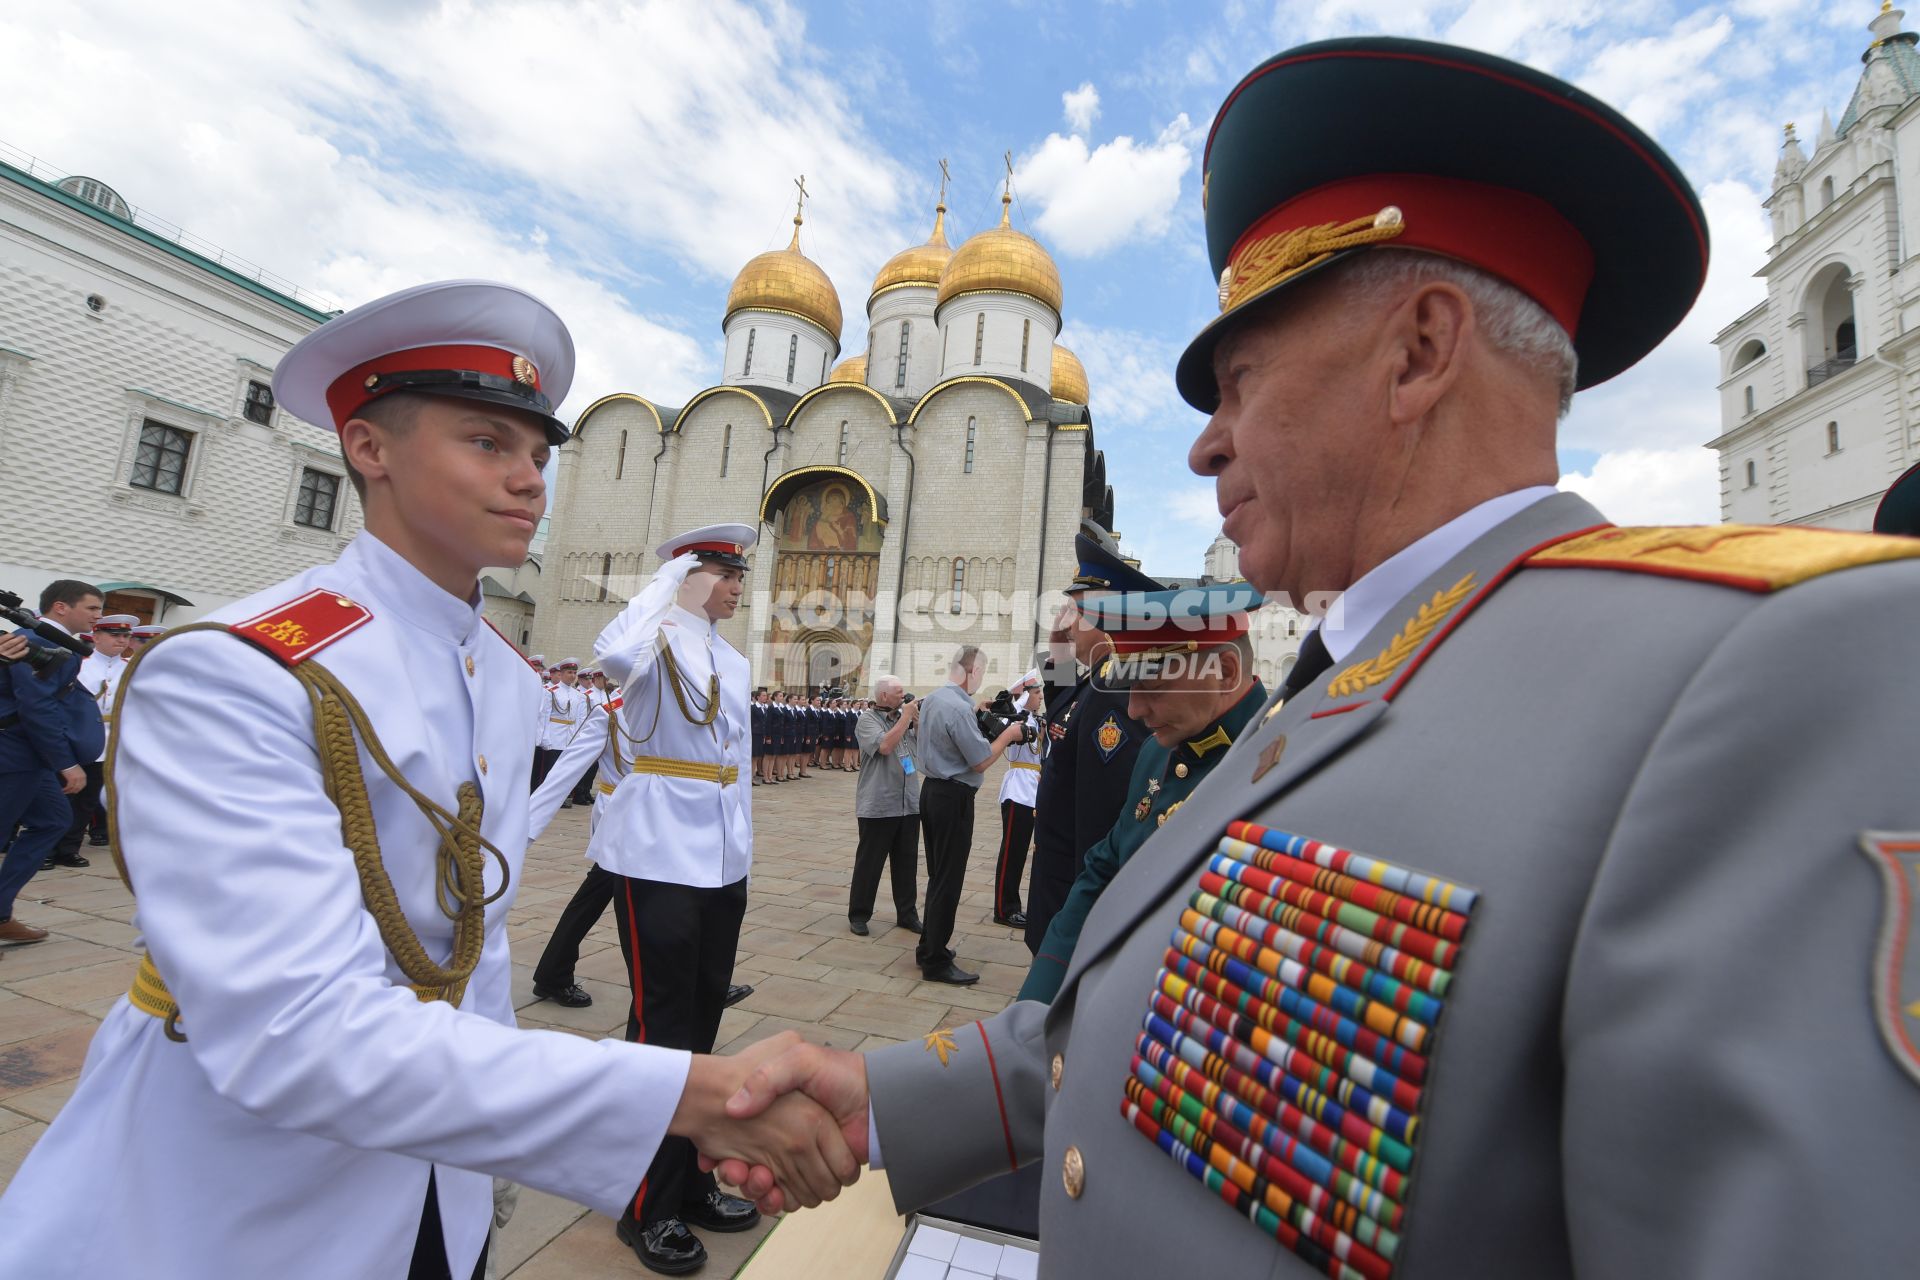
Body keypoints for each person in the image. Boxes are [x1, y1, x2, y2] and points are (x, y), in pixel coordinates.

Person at [707, 37, 1920, 1277]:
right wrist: (884, 1097)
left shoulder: (1781, 664)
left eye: (1240, 382)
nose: (1206, 448)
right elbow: (1184, 1026)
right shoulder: (1346, 668)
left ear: (1418, 351)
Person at [0, 282, 853, 1280]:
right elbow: (293, 1030)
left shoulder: (496, 667)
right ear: (370, 448)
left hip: (438, 1180)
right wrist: (682, 1093)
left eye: (539, 453)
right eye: (487, 443)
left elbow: (465, 961)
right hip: (236, 1197)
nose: (530, 479)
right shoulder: (237, 667)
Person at [589, 521, 764, 1274]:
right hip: (656, 849)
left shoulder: (731, 657)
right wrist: (666, 584)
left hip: (719, 855)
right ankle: (644, 1206)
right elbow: (612, 656)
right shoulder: (653, 638)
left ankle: (688, 1183)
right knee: (660, 1029)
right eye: (725, 574)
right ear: (695, 574)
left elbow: (741, 762)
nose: (737, 587)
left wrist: (744, 853)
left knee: (699, 1021)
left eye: (737, 575)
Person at [1018, 584, 1267, 1002]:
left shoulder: (1275, 759)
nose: (1134, 708)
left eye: (1153, 683)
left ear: (1225, 671)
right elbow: (1106, 862)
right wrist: (1037, 999)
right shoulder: (1157, 747)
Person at [1023, 532, 1160, 953]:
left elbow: (1099, 816)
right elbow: (1065, 718)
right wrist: (1058, 650)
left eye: (1074, 611)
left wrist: (1082, 915)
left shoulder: (1113, 693)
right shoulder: (1097, 683)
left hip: (1072, 895)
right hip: (1058, 882)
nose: (1065, 619)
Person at [911, 646, 1028, 985]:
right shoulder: (959, 709)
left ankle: (928, 946)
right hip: (954, 797)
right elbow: (980, 761)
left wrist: (976, 710)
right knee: (949, 879)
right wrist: (1009, 734)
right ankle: (935, 960)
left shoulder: (933, 699)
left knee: (938, 874)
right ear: (972, 671)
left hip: (931, 792)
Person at [0, 579, 105, 944]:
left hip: (29, 754)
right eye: (92, 608)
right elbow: (37, 706)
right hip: (13, 753)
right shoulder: (38, 641)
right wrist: (66, 762)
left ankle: (0, 912)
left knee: (52, 820)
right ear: (61, 607)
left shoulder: (49, 640)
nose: (98, 616)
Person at [43, 613, 134, 870]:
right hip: (76, 736)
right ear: (96, 637)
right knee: (62, 797)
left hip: (109, 741)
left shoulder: (131, 667)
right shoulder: (79, 663)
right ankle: (47, 849)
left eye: (125, 636)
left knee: (88, 800)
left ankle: (69, 849)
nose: (121, 640)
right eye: (114, 635)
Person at [847, 676, 922, 937]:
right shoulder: (867, 720)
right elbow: (885, 746)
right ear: (884, 697)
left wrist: (916, 721)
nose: (904, 696)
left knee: (907, 864)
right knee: (870, 863)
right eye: (898, 693)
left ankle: (907, 913)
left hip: (908, 803)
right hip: (879, 804)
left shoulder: (904, 721)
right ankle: (859, 914)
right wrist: (904, 719)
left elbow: (924, 748)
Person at [990, 673, 1044, 928]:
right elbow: (1001, 724)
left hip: (1033, 788)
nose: (1041, 697)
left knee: (1022, 852)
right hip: (1017, 789)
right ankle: (1004, 908)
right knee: (1012, 852)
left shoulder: (1035, 720)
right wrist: (1019, 701)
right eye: (1036, 693)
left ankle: (1014, 904)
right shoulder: (1014, 717)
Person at [531, 658, 585, 790]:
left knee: (564, 771)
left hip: (570, 737)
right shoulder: (551, 692)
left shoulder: (578, 695)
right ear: (561, 674)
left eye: (574, 673)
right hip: (554, 736)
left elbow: (578, 719)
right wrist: (544, 738)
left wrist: (577, 739)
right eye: (569, 672)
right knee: (549, 771)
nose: (572, 675)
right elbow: (544, 716)